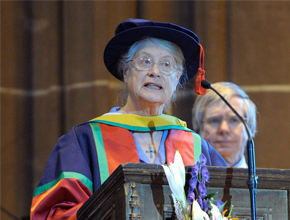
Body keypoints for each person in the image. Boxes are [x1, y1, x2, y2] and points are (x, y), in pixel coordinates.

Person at [30, 18, 228, 219]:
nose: (155, 72)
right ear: (125, 72)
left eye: (167, 64)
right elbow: (55, 212)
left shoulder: (198, 147)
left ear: (177, 79)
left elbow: (230, 205)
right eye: (145, 62)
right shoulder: (85, 141)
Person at [192, 82, 257, 168]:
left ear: (249, 128)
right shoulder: (182, 180)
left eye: (234, 120)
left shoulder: (267, 181)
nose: (224, 129)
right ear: (199, 128)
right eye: (214, 120)